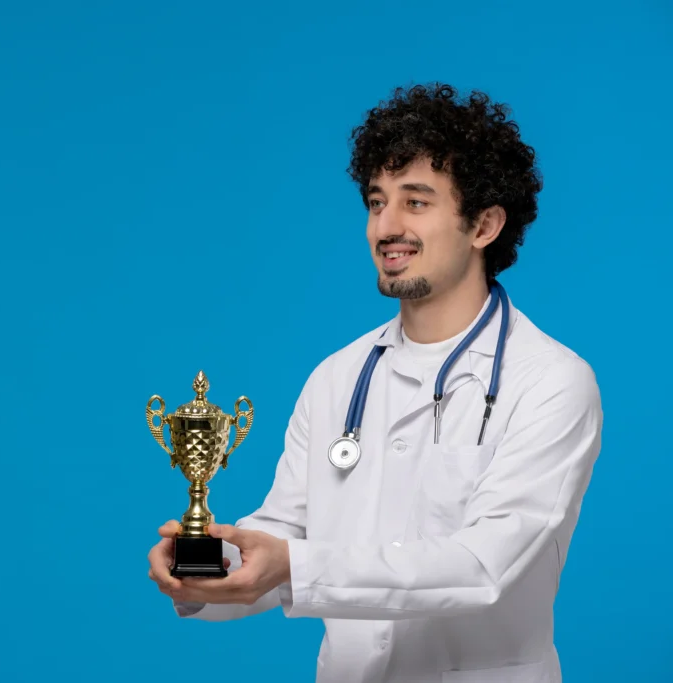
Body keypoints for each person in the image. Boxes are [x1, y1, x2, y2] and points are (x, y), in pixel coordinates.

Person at [146, 83, 603, 683]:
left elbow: (482, 567)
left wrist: (295, 564)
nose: (386, 227)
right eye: (375, 201)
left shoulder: (550, 381)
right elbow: (287, 533)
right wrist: (207, 564)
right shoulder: (338, 377)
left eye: (416, 203)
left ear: (485, 225)